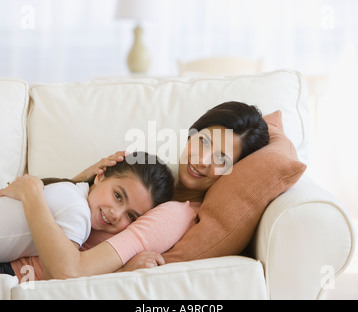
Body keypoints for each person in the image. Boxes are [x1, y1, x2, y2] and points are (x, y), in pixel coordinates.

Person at [2, 101, 269, 281]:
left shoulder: (174, 214)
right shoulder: (148, 172)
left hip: (19, 272)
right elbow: (64, 213)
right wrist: (81, 180)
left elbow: (73, 270)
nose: (203, 160)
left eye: (221, 159)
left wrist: (33, 194)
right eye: (203, 142)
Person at [0, 152, 195, 279]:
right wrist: (32, 195)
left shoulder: (72, 197)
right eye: (118, 196)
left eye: (132, 217)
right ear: (100, 175)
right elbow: (66, 271)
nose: (116, 214)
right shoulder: (77, 209)